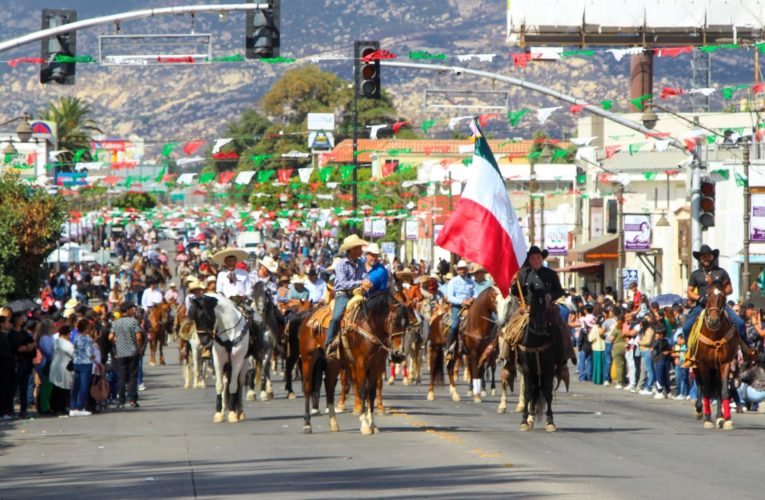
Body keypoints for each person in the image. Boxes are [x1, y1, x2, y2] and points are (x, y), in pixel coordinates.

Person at [682, 245, 749, 367]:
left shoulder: (721, 272)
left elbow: (729, 288)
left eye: (708, 255)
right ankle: (689, 353)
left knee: (740, 323)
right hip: (702, 305)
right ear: (700, 259)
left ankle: (747, 349)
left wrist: (721, 293)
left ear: (713, 257)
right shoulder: (696, 274)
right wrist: (699, 298)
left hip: (719, 305)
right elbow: (689, 291)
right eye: (703, 256)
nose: (706, 258)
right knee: (686, 327)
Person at [325, 234, 372, 357]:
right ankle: (329, 343)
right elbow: (343, 283)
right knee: (336, 317)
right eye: (358, 248)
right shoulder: (341, 264)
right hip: (343, 294)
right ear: (351, 250)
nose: (361, 250)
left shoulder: (361, 263)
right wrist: (361, 282)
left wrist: (367, 281)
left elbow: (365, 276)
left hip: (358, 293)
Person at [109, 302, 143, 409]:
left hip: (121, 353)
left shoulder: (116, 323)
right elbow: (138, 337)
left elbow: (110, 337)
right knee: (133, 376)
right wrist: (139, 348)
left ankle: (121, 400)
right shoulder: (133, 322)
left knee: (122, 377)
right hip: (133, 352)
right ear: (127, 310)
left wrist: (117, 344)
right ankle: (133, 399)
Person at [9, 314, 36, 418]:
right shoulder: (12, 335)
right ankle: (10, 409)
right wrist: (27, 347)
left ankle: (23, 409)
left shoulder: (25, 333)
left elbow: (32, 345)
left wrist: (30, 346)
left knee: (24, 387)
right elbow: (18, 348)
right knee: (14, 387)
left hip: (27, 362)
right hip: (17, 363)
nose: (23, 320)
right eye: (21, 318)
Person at [70, 318, 96, 416]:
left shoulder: (76, 337)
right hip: (86, 363)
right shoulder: (87, 339)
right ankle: (80, 407)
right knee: (84, 386)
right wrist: (93, 356)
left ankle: (73, 406)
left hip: (76, 362)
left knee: (76, 385)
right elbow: (89, 353)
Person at [49, 325, 74, 416]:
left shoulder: (56, 342)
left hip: (56, 366)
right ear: (67, 334)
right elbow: (74, 353)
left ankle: (54, 408)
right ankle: (60, 408)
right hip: (64, 368)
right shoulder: (66, 343)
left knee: (56, 388)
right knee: (63, 389)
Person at [651, 322, 672, 399]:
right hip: (665, 360)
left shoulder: (658, 341)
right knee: (666, 377)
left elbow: (652, 349)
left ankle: (660, 392)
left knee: (659, 376)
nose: (656, 335)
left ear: (661, 335)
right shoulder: (668, 341)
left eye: (657, 334)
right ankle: (668, 392)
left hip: (660, 360)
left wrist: (654, 356)